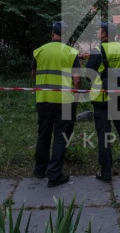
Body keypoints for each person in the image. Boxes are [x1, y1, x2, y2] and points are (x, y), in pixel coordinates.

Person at [87, 21, 120, 182]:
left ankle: (106, 173)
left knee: (104, 136)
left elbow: (89, 73)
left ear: (104, 34)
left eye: (99, 30)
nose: (97, 32)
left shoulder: (98, 50)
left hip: (102, 98)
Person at [33, 21, 81, 188]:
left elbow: (33, 73)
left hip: (44, 99)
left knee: (43, 135)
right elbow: (76, 79)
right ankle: (54, 175)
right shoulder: (71, 52)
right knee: (61, 136)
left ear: (52, 32)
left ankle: (40, 170)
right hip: (65, 102)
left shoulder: (39, 51)